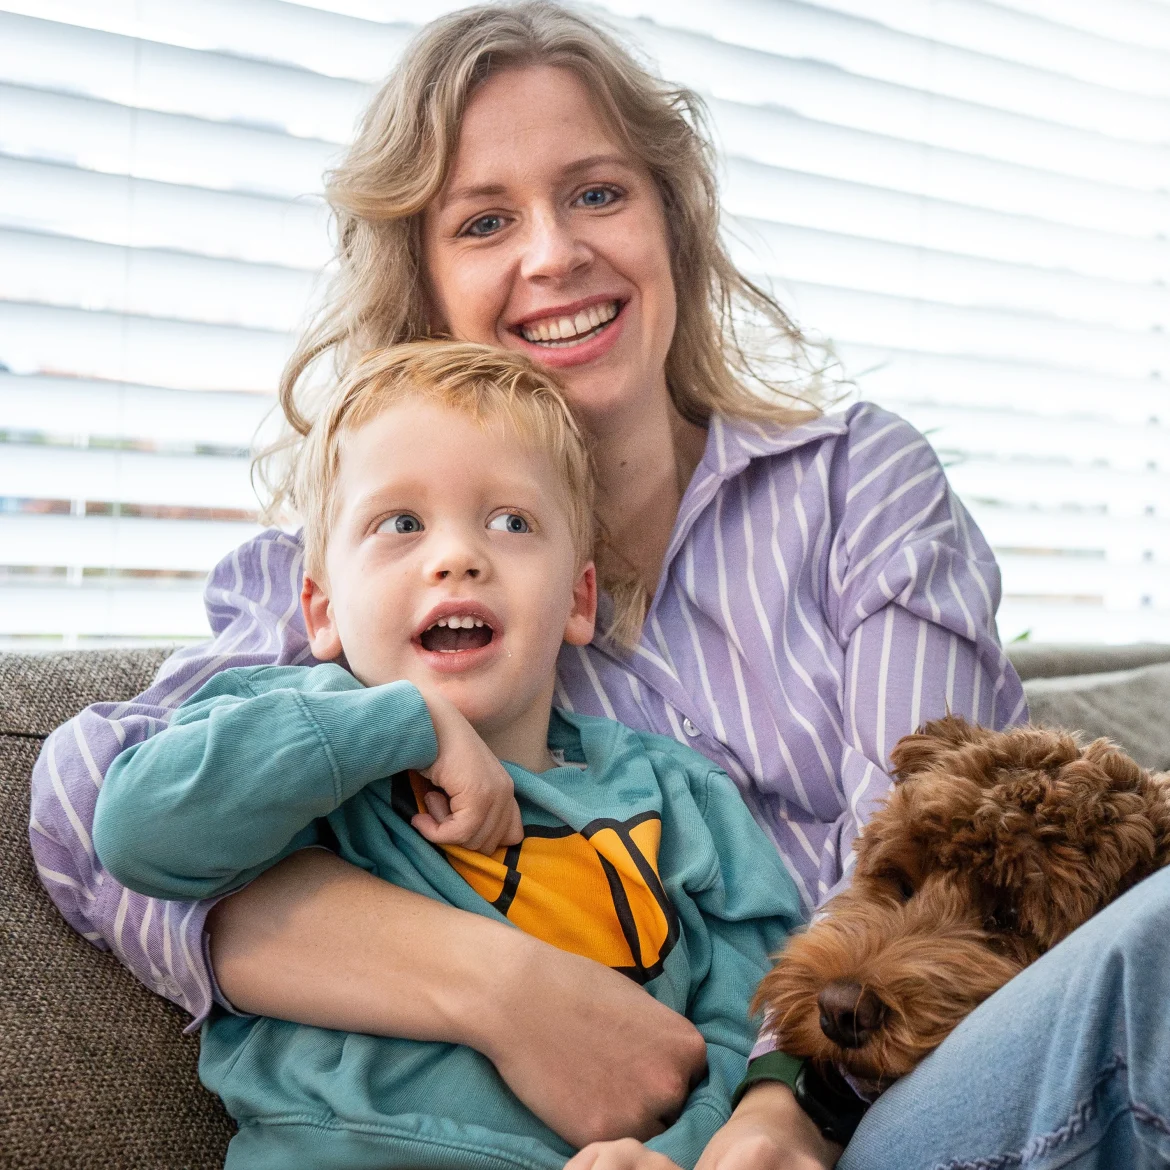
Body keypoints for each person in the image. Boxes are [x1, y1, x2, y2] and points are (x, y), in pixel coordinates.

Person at [30, 3, 1167, 1168]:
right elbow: (85, 807)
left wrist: (772, 1101)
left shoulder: (854, 487)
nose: (552, 254)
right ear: (423, 278)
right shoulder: (357, 579)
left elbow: (919, 852)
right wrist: (499, 987)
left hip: (896, 1095)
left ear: (674, 220)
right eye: (483, 220)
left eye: (597, 193)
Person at [91, 341, 804, 1170]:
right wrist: (406, 720)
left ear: (578, 600)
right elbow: (138, 829)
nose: (458, 556)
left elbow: (756, 1016)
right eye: (401, 524)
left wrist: (681, 1152)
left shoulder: (680, 796)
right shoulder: (296, 738)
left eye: (511, 522)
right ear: (321, 611)